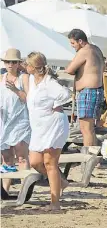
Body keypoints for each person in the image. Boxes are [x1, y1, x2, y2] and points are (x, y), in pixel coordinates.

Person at [25, 52, 71, 211]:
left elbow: (66, 94)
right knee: (35, 161)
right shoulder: (32, 80)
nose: (25, 66)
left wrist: (56, 105)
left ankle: (55, 203)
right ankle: (61, 183)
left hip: (53, 124)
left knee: (50, 163)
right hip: (38, 126)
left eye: (27, 64)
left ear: (33, 67)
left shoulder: (49, 82)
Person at [66, 29, 105, 147]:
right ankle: (93, 156)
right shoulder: (96, 49)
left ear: (80, 41)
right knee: (91, 129)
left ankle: (88, 157)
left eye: (73, 43)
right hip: (97, 90)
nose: (72, 46)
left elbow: (69, 69)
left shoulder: (84, 51)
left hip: (88, 91)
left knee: (85, 129)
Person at [1, 48, 30, 192]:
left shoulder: (24, 77)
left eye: (13, 62)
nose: (10, 64)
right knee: (6, 157)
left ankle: (25, 189)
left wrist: (15, 90)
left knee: (22, 157)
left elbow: (29, 99)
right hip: (5, 121)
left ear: (18, 63)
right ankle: (5, 190)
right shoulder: (1, 77)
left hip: (21, 120)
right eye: (7, 62)